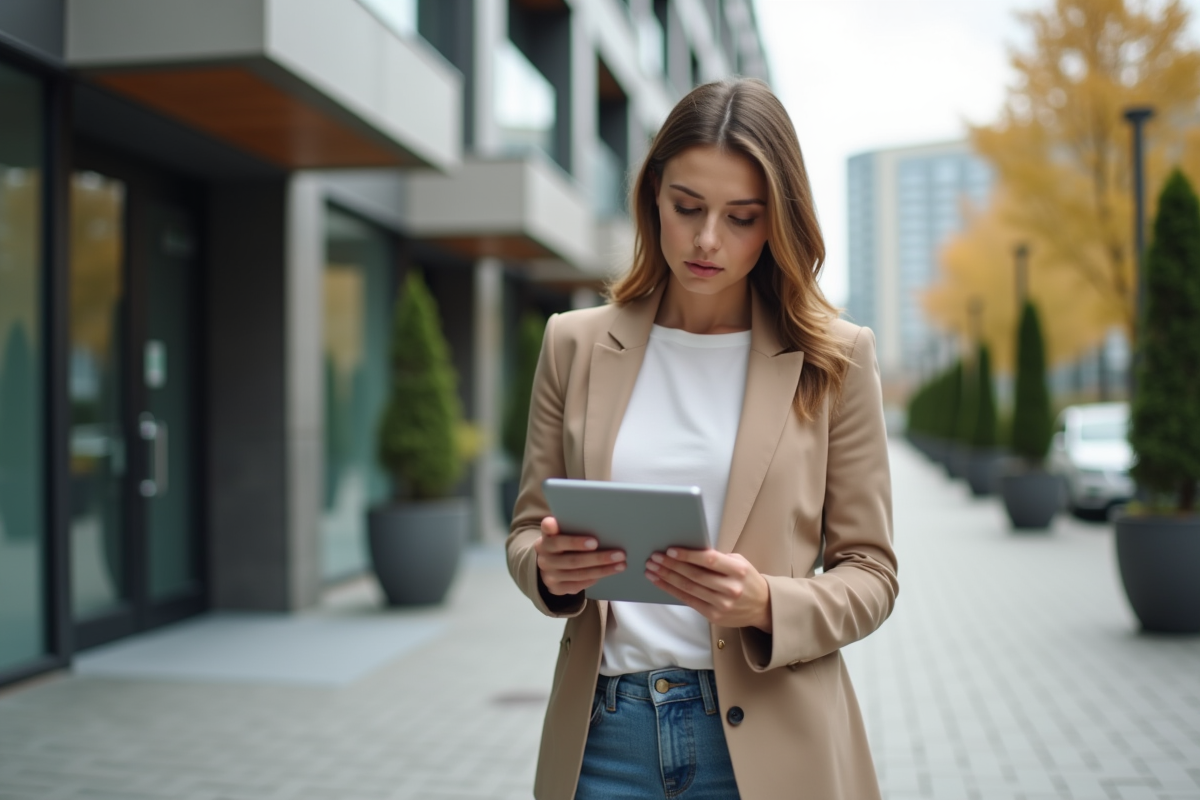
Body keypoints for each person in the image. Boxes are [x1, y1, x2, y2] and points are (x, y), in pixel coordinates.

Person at [506, 78, 898, 800]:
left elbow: (872, 573)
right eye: (687, 207)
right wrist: (548, 570)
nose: (707, 239)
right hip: (605, 740)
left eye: (741, 217)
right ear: (653, 196)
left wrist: (767, 603)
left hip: (771, 745)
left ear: (776, 222)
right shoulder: (574, 343)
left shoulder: (834, 358)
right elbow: (528, 529)